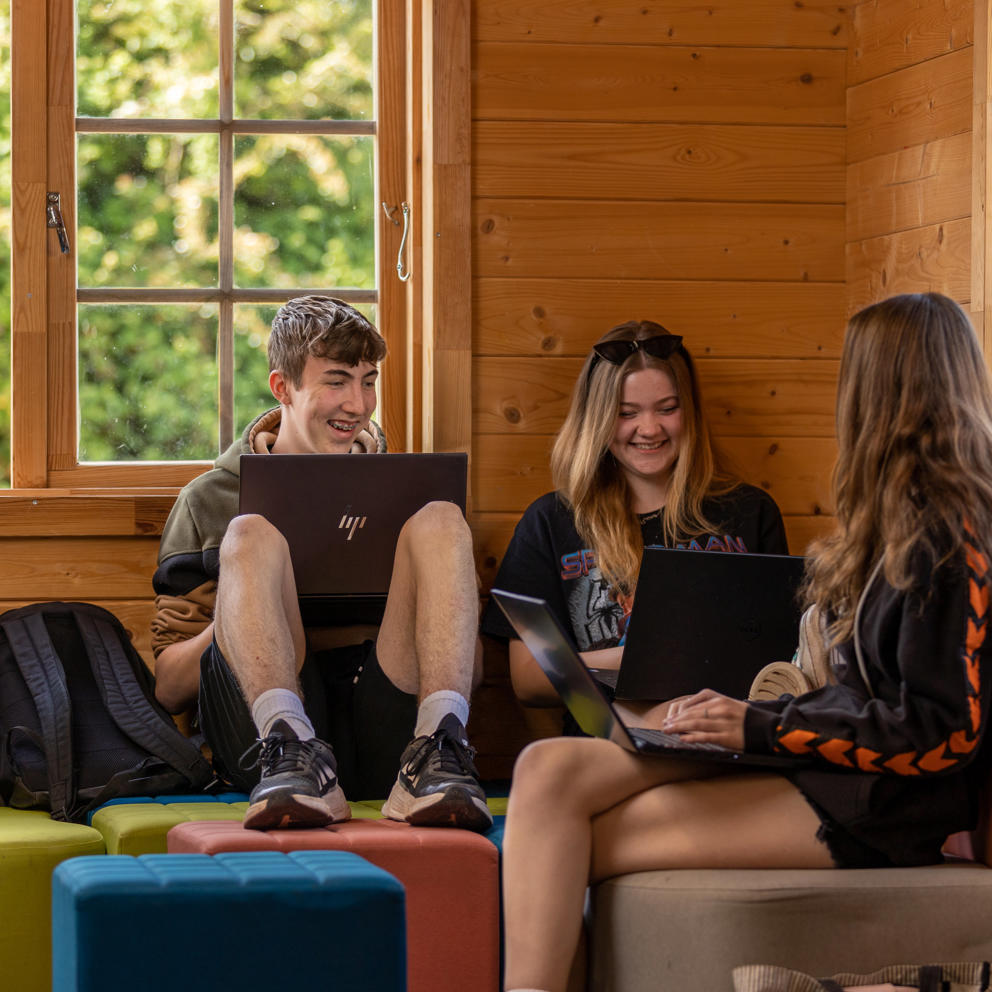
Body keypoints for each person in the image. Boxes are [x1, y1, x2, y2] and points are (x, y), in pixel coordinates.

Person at [500, 292, 992, 992]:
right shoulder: (897, 519)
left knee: (568, 846)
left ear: (882, 390)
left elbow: (944, 734)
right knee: (549, 769)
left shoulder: (953, 535)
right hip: (817, 758)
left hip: (874, 804)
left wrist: (762, 726)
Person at [150, 295, 492, 833]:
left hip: (389, 732)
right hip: (265, 751)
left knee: (444, 519)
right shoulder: (210, 499)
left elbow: (472, 665)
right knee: (250, 531)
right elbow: (169, 686)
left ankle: (438, 747)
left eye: (369, 381)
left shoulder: (406, 494)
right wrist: (249, 611)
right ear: (282, 387)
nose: (357, 404)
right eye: (336, 380)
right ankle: (290, 744)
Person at [481, 320, 788, 708]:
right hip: (612, 737)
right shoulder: (551, 521)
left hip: (724, 733)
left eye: (668, 408)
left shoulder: (751, 512)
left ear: (688, 410)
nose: (649, 428)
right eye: (627, 413)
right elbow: (529, 679)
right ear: (598, 420)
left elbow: (781, 660)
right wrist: (659, 655)